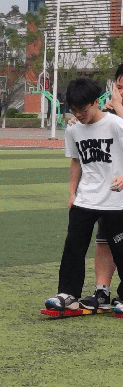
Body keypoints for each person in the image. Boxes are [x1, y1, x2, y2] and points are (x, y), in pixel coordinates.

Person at [44, 76, 123, 314]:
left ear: (96, 102)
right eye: (74, 110)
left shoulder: (115, 124)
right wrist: (72, 193)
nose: (79, 115)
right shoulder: (73, 129)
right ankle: (68, 295)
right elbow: (76, 162)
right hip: (86, 197)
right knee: (73, 246)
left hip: (116, 198)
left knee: (120, 250)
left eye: (83, 110)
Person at [78, 65, 123, 311]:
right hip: (113, 190)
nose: (121, 92)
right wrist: (82, 118)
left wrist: (118, 109)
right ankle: (102, 292)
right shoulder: (109, 112)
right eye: (119, 87)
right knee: (105, 238)